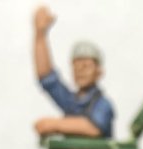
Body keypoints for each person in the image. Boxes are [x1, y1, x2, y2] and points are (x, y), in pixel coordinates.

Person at [32, 6, 114, 138]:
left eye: (86, 66)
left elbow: (93, 127)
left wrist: (55, 125)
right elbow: (47, 79)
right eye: (76, 67)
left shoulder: (103, 104)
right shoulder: (72, 102)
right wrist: (40, 35)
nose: (80, 71)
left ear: (99, 72)